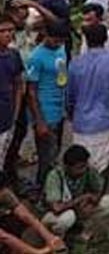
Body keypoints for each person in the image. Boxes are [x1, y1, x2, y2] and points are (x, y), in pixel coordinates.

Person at [65, 24, 109, 179]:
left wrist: (71, 113)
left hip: (81, 121)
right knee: (104, 163)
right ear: (105, 39)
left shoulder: (75, 63)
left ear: (85, 40)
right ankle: (98, 195)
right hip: (105, 119)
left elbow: (69, 94)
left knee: (82, 163)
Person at [41, 145, 109, 240]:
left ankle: (80, 230)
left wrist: (92, 201)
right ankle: (55, 237)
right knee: (68, 217)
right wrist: (79, 200)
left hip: (80, 208)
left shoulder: (88, 170)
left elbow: (98, 191)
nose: (83, 170)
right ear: (67, 167)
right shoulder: (55, 176)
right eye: (79, 168)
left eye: (84, 166)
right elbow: (56, 208)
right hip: (55, 214)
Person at [27, 21, 69, 192]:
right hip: (45, 111)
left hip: (59, 109)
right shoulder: (36, 57)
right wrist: (40, 121)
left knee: (55, 152)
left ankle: (50, 189)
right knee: (46, 157)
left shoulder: (61, 48)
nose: (57, 43)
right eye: (55, 40)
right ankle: (42, 190)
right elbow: (31, 92)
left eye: (60, 40)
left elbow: (63, 75)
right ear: (45, 34)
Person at [0, 17, 25, 186]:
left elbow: (18, 83)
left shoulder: (14, 55)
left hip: (7, 118)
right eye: (3, 31)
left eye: (10, 30)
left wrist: (15, 112)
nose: (8, 34)